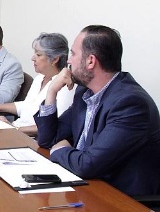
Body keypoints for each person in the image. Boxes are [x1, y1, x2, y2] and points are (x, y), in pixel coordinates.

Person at [35, 25, 160, 196]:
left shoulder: (130, 104)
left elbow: (88, 165)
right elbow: (48, 139)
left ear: (91, 61)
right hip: (86, 187)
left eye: (73, 54)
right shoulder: (84, 92)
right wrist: (51, 92)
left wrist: (59, 151)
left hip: (120, 199)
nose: (69, 61)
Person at [0, 33, 75, 136]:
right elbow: (27, 106)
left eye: (38, 55)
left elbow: (53, 126)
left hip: (35, 139)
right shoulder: (39, 78)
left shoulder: (65, 86)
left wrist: (14, 129)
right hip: (18, 130)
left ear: (55, 59)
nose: (33, 58)